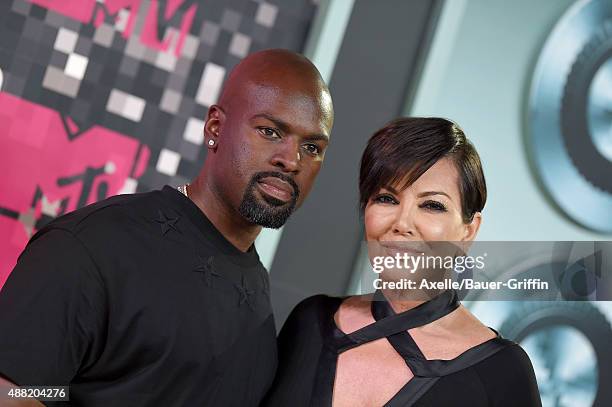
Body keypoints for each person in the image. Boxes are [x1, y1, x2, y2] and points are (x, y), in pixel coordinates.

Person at [0, 49, 334, 406]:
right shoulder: (93, 247)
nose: (291, 160)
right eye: (270, 131)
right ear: (215, 128)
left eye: (311, 147)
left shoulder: (255, 288)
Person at [263, 118, 541, 406]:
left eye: (432, 205)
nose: (402, 223)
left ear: (468, 231)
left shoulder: (502, 372)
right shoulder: (310, 322)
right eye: (386, 198)